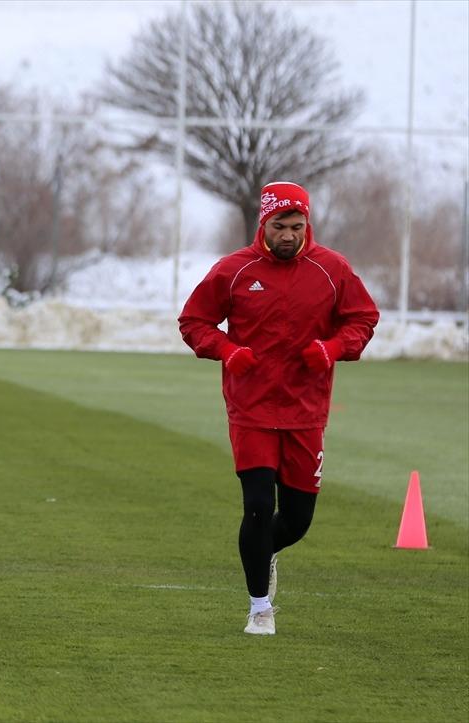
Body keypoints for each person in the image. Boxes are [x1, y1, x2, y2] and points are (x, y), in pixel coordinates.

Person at [179, 181, 378, 636]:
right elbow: (194, 321)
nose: (289, 235)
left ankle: (263, 552)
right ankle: (259, 609)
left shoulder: (332, 269)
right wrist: (228, 351)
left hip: (306, 411)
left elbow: (363, 319)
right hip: (250, 409)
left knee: (297, 520)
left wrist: (331, 349)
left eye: (297, 225)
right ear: (263, 224)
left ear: (308, 224)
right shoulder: (233, 270)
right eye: (279, 226)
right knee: (256, 506)